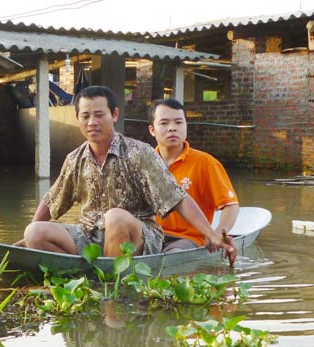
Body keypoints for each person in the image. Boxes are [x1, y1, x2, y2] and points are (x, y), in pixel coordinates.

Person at [21, 86, 235, 264]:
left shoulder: (139, 152)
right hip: (89, 235)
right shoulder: (74, 159)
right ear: (77, 118)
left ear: (114, 115)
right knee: (35, 233)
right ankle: (84, 275)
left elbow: (177, 198)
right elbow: (52, 200)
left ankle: (116, 289)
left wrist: (211, 233)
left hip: (139, 235)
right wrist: (24, 240)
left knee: (115, 217)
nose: (92, 122)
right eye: (85, 116)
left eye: (99, 115)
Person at [148, 98, 239, 253]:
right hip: (151, 235)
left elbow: (230, 205)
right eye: (164, 123)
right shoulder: (144, 162)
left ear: (186, 126)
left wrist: (218, 233)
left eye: (178, 122)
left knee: (173, 257)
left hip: (189, 239)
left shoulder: (206, 163)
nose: (172, 128)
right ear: (152, 130)